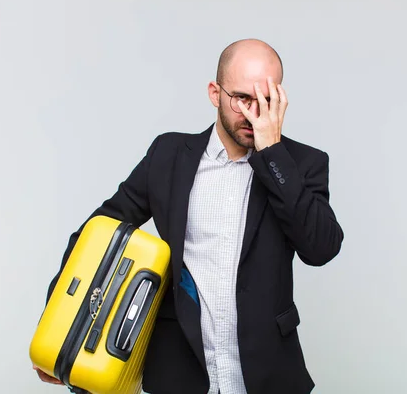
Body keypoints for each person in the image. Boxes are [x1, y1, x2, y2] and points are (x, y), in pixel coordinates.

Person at [35, 38, 344, 394]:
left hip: (269, 375)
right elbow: (96, 235)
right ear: (215, 93)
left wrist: (272, 152)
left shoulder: (301, 164)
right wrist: (57, 331)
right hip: (179, 373)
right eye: (243, 98)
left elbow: (321, 248)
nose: (254, 114)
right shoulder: (168, 155)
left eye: (267, 101)